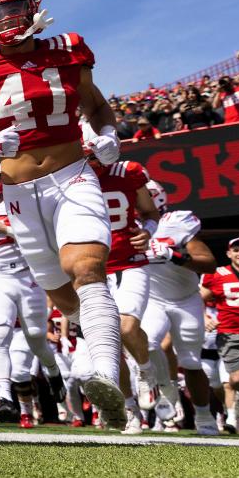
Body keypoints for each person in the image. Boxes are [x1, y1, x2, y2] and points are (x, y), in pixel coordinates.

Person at [0, 0, 127, 427]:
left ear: (33, 8)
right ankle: (93, 358)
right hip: (18, 195)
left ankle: (106, 376)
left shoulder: (68, 50)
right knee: (63, 298)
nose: (7, 20)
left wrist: (108, 134)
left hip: (72, 175)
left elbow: (97, 106)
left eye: (14, 9)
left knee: (86, 268)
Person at [0, 159, 65, 425]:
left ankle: (53, 371)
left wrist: (7, 230)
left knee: (35, 337)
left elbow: (42, 239)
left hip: (26, 276)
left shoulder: (22, 202)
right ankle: (6, 400)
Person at [138, 181, 219, 434]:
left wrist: (176, 256)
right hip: (153, 299)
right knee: (149, 343)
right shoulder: (129, 227)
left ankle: (204, 416)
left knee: (191, 362)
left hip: (185, 299)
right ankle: (166, 386)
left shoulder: (178, 221)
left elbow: (209, 264)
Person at [90, 154, 161, 434]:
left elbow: (151, 213)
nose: (90, 160)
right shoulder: (68, 176)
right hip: (92, 268)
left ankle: (145, 369)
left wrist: (148, 232)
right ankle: (130, 409)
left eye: (93, 153)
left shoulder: (128, 172)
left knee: (127, 325)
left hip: (129, 262)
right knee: (110, 346)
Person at [200, 238, 239, 432]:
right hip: (230, 334)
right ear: (229, 254)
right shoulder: (218, 274)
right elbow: (199, 298)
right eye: (236, 250)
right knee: (238, 380)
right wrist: (204, 317)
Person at [211, 52, 239, 123]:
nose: (225, 84)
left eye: (226, 82)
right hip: (230, 124)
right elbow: (215, 106)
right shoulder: (222, 95)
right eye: (223, 83)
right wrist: (218, 91)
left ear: (231, 82)